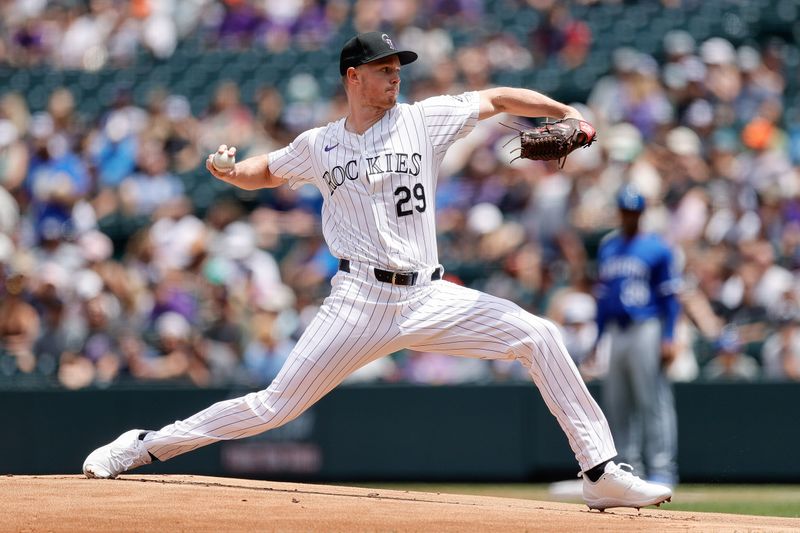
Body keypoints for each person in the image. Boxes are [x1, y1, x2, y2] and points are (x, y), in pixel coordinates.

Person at [82, 31, 672, 511]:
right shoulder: (320, 144)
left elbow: (495, 98)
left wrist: (566, 111)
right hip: (357, 300)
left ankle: (599, 470)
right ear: (352, 77)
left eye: (398, 67)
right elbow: (270, 169)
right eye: (384, 67)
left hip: (428, 294)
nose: (395, 76)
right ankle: (143, 446)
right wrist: (230, 171)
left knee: (540, 335)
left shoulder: (424, 119)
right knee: (271, 408)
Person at [594, 184, 681, 488]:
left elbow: (670, 298)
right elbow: (603, 299)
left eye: (634, 211)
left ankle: (662, 468)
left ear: (641, 213)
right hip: (617, 330)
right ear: (619, 212)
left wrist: (669, 336)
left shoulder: (657, 247)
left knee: (652, 399)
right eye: (625, 211)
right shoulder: (608, 247)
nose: (630, 216)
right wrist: (597, 339)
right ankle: (628, 468)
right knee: (617, 401)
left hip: (647, 326)